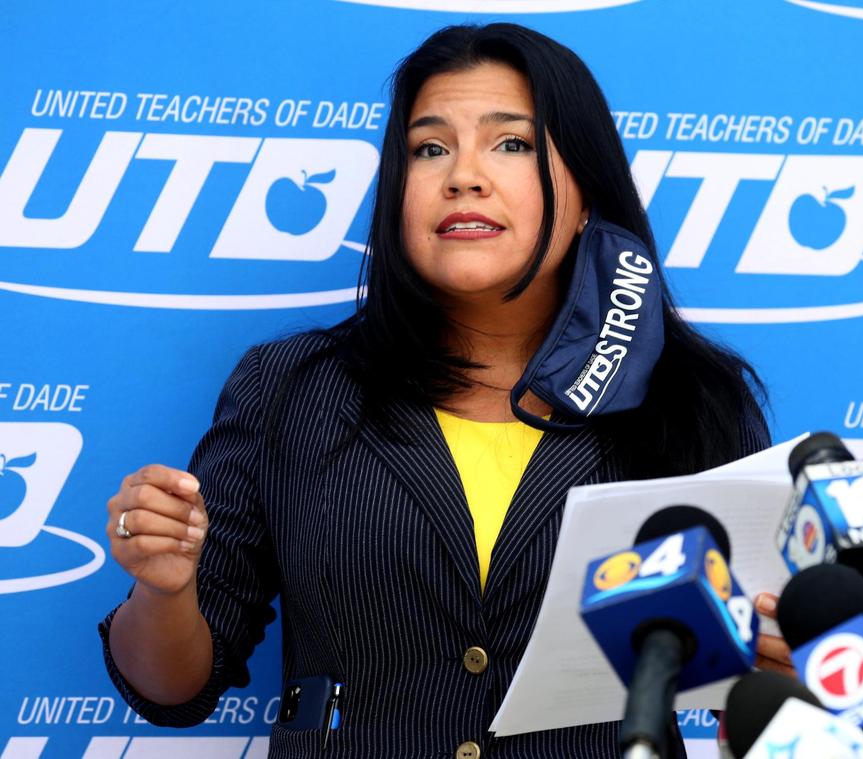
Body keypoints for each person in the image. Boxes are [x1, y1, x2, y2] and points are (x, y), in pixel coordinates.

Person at [100, 22, 792, 758]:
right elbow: (173, 689)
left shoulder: (691, 395)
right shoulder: (287, 389)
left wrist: (783, 666)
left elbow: (761, 683)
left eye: (511, 143)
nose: (464, 175)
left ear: (587, 191)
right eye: (429, 149)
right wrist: (164, 589)